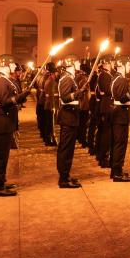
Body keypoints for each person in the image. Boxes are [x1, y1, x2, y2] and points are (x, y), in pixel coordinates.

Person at [0, 54, 29, 197]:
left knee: (3, 155)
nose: (14, 66)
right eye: (12, 64)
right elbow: (5, 101)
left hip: (4, 122)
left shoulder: (6, 80)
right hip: (0, 122)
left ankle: (1, 181)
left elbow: (12, 98)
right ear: (5, 65)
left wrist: (21, 95)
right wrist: (20, 96)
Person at [56, 58, 85, 189]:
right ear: (71, 65)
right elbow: (65, 97)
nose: (79, 64)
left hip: (71, 117)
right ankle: (63, 178)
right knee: (65, 148)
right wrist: (78, 93)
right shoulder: (66, 78)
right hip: (68, 116)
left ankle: (66, 174)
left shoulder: (69, 77)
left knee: (69, 149)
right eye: (77, 62)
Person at [109, 57, 130, 182]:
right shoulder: (121, 80)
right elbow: (122, 98)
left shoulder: (115, 78)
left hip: (117, 114)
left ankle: (115, 170)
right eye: (129, 65)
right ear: (123, 66)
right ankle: (117, 172)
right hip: (121, 114)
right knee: (120, 144)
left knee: (117, 143)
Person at [95, 56, 115, 168]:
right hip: (107, 106)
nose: (113, 64)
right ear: (107, 63)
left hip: (106, 105)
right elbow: (109, 90)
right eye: (112, 62)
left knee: (104, 132)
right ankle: (104, 158)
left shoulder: (106, 74)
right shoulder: (104, 75)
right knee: (106, 134)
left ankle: (101, 155)